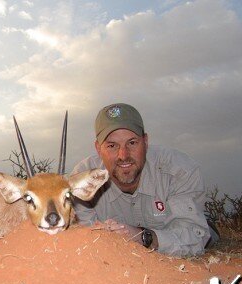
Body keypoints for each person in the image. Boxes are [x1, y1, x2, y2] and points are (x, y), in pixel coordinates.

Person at [71, 103, 219, 257]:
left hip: (169, 231)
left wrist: (143, 237)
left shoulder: (179, 169)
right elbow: (83, 240)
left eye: (132, 143)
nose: (123, 155)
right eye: (112, 145)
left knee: (208, 236)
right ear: (98, 148)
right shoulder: (82, 179)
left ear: (146, 142)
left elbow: (194, 239)